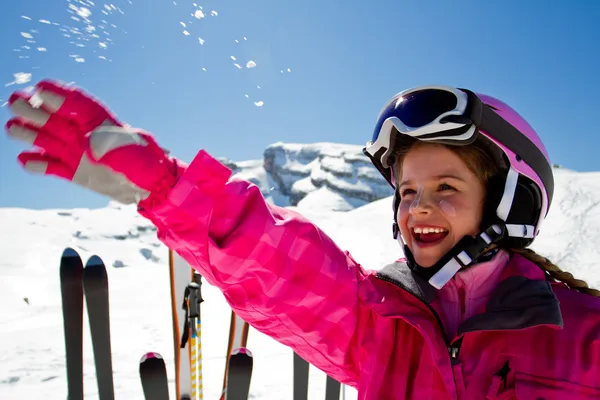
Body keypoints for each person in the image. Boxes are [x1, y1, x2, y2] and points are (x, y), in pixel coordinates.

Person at [5, 80, 600, 399]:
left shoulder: (584, 335)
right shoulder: (382, 323)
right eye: (408, 190)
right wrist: (163, 186)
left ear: (508, 200)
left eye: (446, 186)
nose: (418, 206)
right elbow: (283, 268)